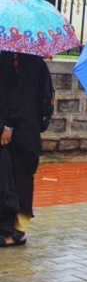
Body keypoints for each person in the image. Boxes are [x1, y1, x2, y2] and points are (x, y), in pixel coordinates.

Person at [0, 53, 54, 247]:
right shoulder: (8, 58)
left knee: (20, 180)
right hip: (14, 131)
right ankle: (8, 228)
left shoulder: (30, 62)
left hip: (22, 133)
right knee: (8, 179)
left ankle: (17, 231)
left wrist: (9, 125)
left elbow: (25, 96)